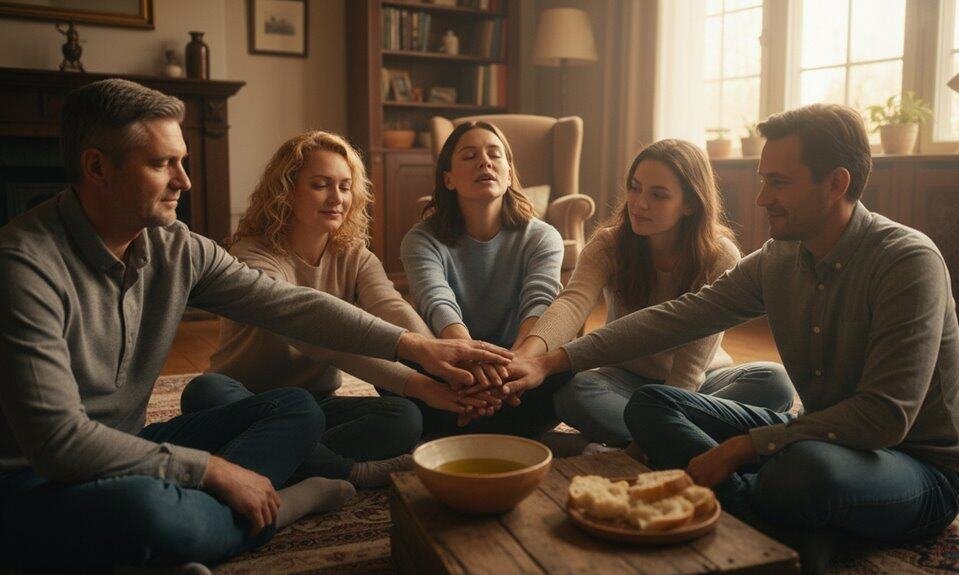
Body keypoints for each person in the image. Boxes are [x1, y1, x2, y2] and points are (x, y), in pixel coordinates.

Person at [0, 79, 511, 572]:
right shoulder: (24, 266)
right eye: (162, 164)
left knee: (294, 408)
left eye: (183, 161)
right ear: (97, 167)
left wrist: (418, 348)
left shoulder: (176, 247)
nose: (184, 181)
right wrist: (214, 470)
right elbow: (59, 444)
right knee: (152, 513)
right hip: (34, 478)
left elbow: (293, 307)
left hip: (133, 446)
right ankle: (282, 506)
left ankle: (176, 534)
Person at [504, 104, 959, 569]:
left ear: (836, 184)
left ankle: (761, 510)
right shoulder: (779, 257)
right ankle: (783, 522)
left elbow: (885, 418)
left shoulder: (907, 262)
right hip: (821, 439)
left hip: (914, 465)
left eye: (779, 182)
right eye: (764, 178)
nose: (761, 197)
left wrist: (744, 447)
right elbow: (679, 317)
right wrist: (552, 359)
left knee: (802, 469)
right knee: (652, 404)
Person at [182, 131, 490, 489]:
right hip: (247, 401)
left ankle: (269, 461)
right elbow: (317, 336)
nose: (336, 198)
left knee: (403, 416)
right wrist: (418, 382)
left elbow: (390, 307)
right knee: (204, 392)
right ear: (286, 190)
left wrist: (444, 365)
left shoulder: (355, 255)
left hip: (315, 408)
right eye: (320, 185)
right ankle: (346, 472)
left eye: (345, 187)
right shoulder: (251, 257)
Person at [515, 139, 794, 449]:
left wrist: (663, 416)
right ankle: (686, 444)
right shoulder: (609, 244)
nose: (639, 203)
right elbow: (571, 302)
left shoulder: (720, 255)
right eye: (635, 188)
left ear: (690, 203)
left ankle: (646, 445)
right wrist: (527, 354)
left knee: (774, 381)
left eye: (658, 195)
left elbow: (690, 367)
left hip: (700, 384)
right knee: (576, 392)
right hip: (624, 380)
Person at [400, 120, 566, 437]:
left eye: (494, 154)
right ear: (448, 179)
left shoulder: (543, 237)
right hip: (451, 366)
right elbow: (437, 303)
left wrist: (517, 366)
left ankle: (467, 422)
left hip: (517, 363)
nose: (485, 162)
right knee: (396, 367)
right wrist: (472, 365)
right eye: (469, 156)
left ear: (508, 172)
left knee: (568, 364)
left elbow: (539, 303)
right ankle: (502, 425)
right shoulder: (420, 239)